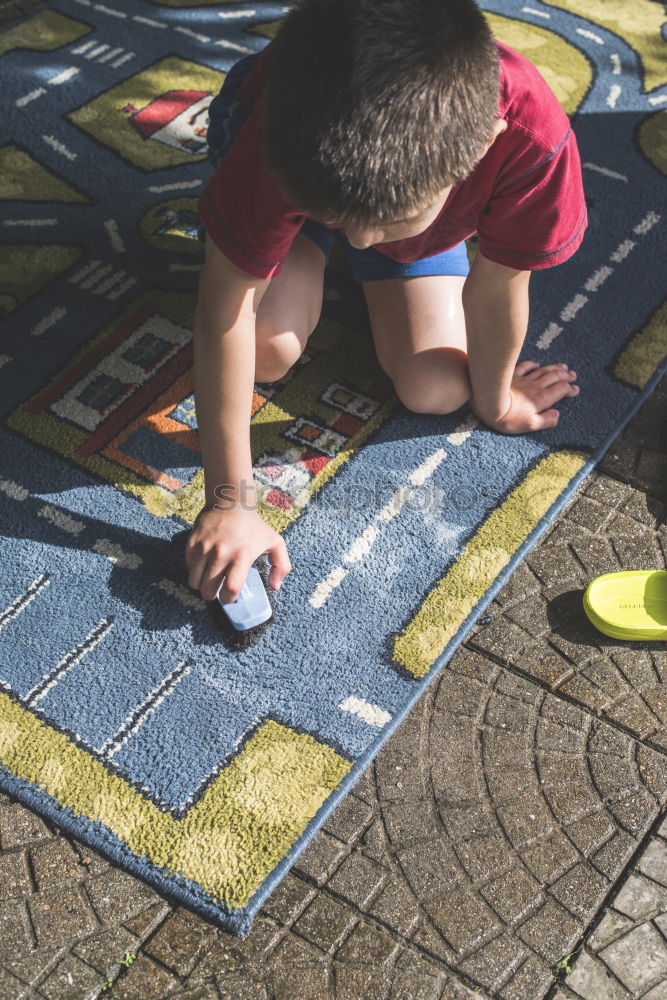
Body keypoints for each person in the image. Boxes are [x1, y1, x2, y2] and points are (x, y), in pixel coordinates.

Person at [186, 0, 587, 605]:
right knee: (266, 349)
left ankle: (345, 223)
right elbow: (225, 310)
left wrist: (498, 399)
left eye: (388, 222)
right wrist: (229, 500)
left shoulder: (533, 139)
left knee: (439, 388)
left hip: (371, 194)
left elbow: (500, 283)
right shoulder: (284, 132)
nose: (361, 242)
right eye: (343, 224)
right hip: (301, 174)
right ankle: (312, 227)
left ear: (482, 146)